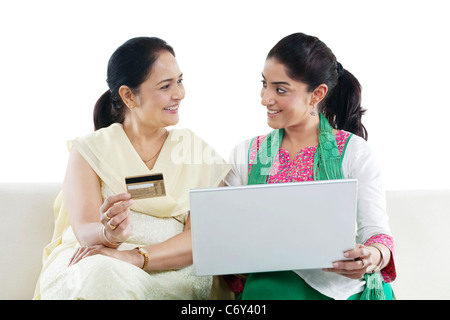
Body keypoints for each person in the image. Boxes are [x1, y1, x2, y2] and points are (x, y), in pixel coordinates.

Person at [33, 37, 231, 299]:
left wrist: (133, 257)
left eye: (179, 81)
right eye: (165, 86)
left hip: (169, 272)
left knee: (110, 275)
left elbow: (200, 239)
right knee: (103, 273)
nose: (179, 94)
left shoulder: (197, 153)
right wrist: (110, 235)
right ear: (128, 95)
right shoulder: (89, 150)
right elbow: (86, 232)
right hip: (92, 265)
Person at [225, 32, 396, 300]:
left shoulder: (354, 153)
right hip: (268, 287)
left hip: (339, 289)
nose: (265, 98)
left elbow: (376, 234)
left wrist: (371, 256)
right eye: (264, 84)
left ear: (317, 94)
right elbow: (227, 233)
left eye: (280, 89)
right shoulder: (246, 153)